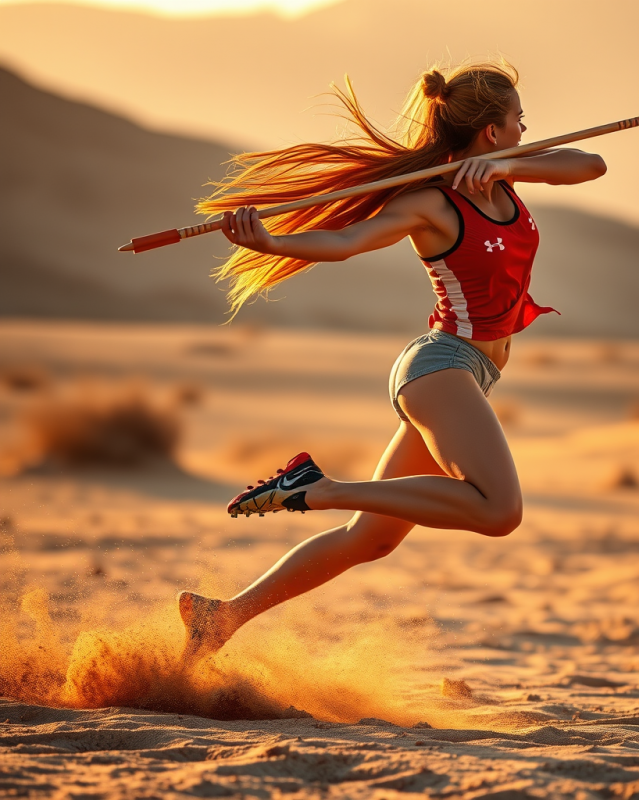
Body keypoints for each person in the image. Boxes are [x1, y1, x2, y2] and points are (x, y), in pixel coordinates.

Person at [178, 61, 606, 663]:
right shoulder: (433, 203)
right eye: (518, 123)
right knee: (499, 510)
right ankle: (319, 488)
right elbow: (346, 243)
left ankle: (221, 617)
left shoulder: (506, 179)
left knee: (369, 540)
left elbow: (591, 164)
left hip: (469, 377)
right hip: (441, 367)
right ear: (490, 130)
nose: (525, 132)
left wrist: (509, 165)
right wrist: (271, 241)